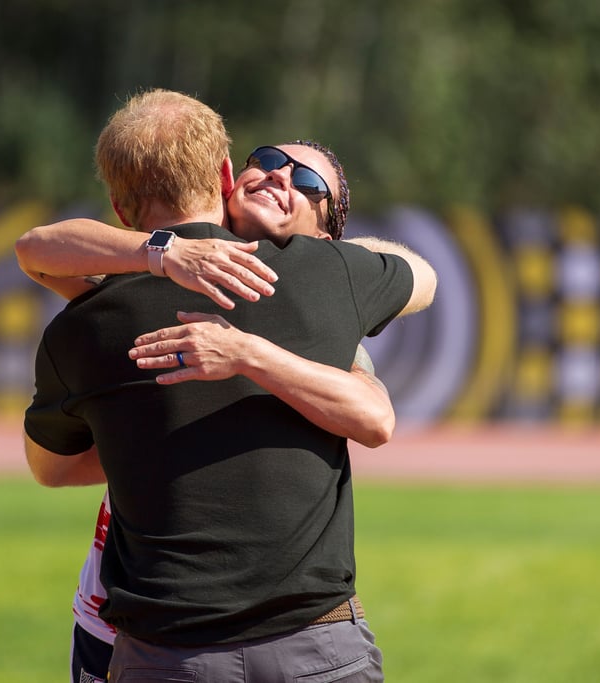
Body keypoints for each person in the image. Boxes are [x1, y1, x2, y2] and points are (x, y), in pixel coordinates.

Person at [22, 89, 435, 682]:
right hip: (309, 647)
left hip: (165, 654)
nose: (279, 176)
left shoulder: (87, 323)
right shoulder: (330, 281)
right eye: (267, 159)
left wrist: (238, 354)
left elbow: (51, 466)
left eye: (310, 184)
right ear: (224, 176)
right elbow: (421, 276)